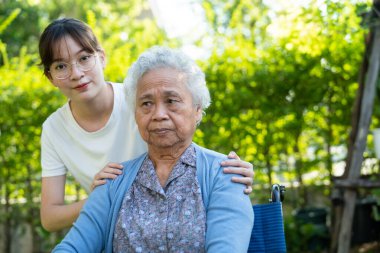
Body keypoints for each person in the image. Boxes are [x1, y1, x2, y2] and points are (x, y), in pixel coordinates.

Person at [39, 17, 254, 232]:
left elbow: (183, 152)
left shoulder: (141, 97)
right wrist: (101, 197)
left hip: (177, 220)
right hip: (116, 230)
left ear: (102, 57)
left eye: (84, 58)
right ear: (50, 77)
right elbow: (49, 218)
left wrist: (224, 173)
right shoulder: (54, 129)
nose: (76, 73)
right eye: (61, 66)